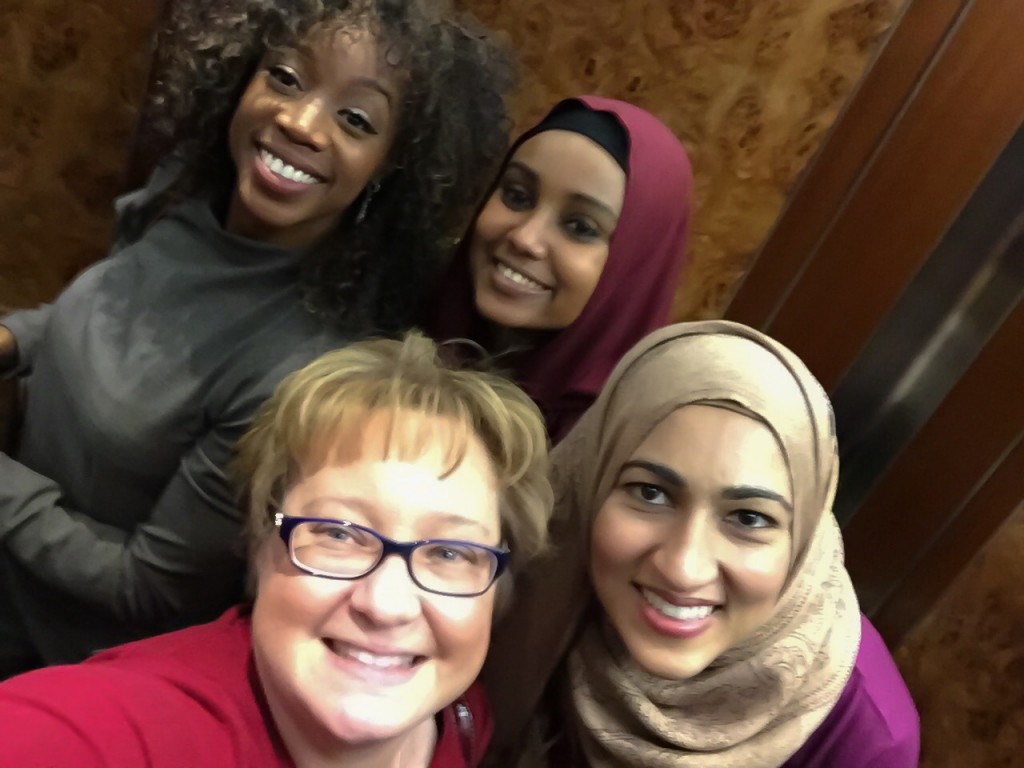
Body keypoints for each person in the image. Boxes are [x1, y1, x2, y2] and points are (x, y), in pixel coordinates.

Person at [0, 0, 516, 675]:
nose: (299, 121)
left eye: (355, 119)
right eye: (287, 77)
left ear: (390, 168)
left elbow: (147, 587)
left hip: (48, 655)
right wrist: (12, 339)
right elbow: (96, 314)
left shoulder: (301, 364)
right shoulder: (190, 203)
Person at [0, 332, 553, 767]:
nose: (386, 604)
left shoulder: (461, 719)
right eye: (338, 533)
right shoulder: (121, 727)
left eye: (450, 553)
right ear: (261, 546)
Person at [482, 321, 920, 767]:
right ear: (592, 479)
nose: (683, 568)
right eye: (650, 493)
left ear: (802, 538)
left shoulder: (862, 737)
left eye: (749, 518)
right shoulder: (537, 583)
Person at [430, 96, 693, 442]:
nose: (525, 238)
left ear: (634, 270)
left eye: (580, 227)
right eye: (518, 196)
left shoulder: (621, 453)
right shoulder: (392, 333)